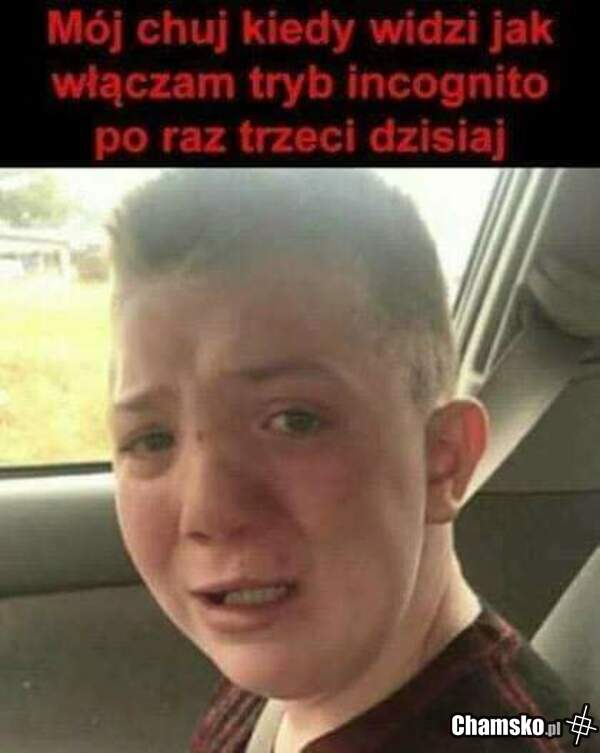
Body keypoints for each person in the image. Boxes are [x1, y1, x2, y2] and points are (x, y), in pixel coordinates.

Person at [107, 169, 579, 753]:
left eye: (295, 421)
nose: (209, 512)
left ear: (443, 459)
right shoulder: (306, 664)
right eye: (152, 439)